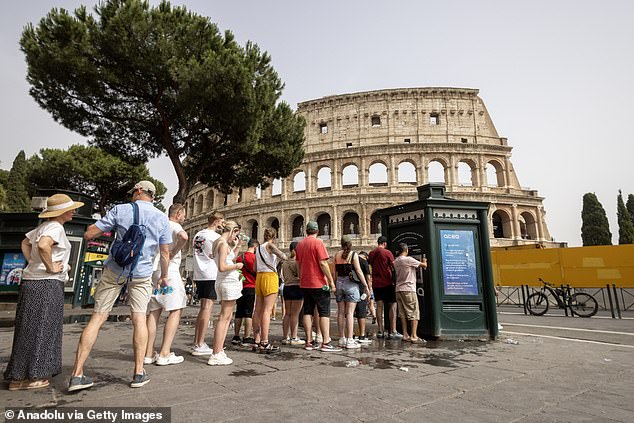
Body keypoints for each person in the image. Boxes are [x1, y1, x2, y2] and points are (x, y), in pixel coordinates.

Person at [69, 181, 171, 391]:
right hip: (142, 274)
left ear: (140, 191)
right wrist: (164, 275)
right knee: (139, 319)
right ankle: (138, 372)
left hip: (115, 269)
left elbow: (90, 234)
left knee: (98, 316)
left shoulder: (120, 209)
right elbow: (165, 252)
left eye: (133, 192)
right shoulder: (161, 218)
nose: (132, 195)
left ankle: (77, 374)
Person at [5, 194, 83, 391]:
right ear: (62, 212)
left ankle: (17, 378)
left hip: (31, 282)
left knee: (28, 330)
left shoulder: (43, 227)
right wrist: (49, 267)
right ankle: (34, 377)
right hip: (47, 284)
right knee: (43, 329)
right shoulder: (55, 227)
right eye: (71, 208)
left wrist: (34, 263)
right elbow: (42, 245)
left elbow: (26, 243)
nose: (74, 211)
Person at [144, 203, 189, 366]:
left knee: (154, 312)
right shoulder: (175, 225)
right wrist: (174, 251)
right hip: (169, 273)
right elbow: (184, 236)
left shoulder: (159, 225)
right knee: (176, 310)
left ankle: (148, 353)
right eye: (183, 215)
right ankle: (164, 353)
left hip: (155, 272)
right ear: (178, 214)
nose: (185, 218)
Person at [296, 221, 341, 352]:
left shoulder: (300, 244)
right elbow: (323, 263)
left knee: (307, 311)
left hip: (305, 283)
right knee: (324, 312)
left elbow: (298, 265)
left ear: (306, 231)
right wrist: (332, 281)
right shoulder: (318, 243)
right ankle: (325, 342)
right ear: (317, 231)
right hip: (319, 283)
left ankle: (309, 341)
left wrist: (301, 277)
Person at [207, 221, 244, 365]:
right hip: (227, 283)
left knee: (227, 317)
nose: (235, 237)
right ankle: (216, 353)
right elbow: (222, 266)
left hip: (225, 282)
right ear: (232, 230)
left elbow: (228, 258)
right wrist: (237, 266)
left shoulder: (219, 243)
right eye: (235, 233)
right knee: (224, 317)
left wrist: (237, 246)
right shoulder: (222, 244)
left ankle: (219, 350)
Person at [191, 212, 224, 356]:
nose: (223, 224)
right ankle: (200, 344)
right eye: (222, 221)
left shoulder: (198, 235)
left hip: (199, 273)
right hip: (210, 273)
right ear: (217, 221)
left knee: (202, 308)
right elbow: (218, 256)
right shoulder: (215, 237)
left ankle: (196, 341)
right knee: (207, 308)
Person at [252, 228, 287, 354]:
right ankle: (264, 342)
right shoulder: (271, 246)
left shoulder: (258, 248)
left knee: (257, 310)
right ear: (274, 236)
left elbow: (255, 267)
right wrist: (277, 260)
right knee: (267, 311)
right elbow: (284, 256)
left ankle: (256, 340)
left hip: (259, 277)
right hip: (270, 276)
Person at [334, 236, 370, 349]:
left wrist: (334, 285)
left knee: (340, 312)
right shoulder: (353, 255)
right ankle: (350, 339)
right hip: (351, 285)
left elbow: (334, 272)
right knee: (349, 313)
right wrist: (365, 286)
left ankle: (341, 338)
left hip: (339, 283)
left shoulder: (336, 255)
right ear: (351, 244)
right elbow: (358, 271)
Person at [368, 236, 402, 339]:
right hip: (387, 282)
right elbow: (393, 266)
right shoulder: (387, 253)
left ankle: (380, 330)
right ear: (385, 243)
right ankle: (393, 331)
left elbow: (370, 263)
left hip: (376, 283)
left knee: (379, 306)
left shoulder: (372, 253)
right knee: (392, 305)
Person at [393, 243, 427, 343]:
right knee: (414, 312)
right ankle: (414, 335)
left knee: (402, 313)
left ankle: (405, 334)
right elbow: (424, 266)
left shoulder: (396, 261)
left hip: (399, 289)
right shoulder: (408, 259)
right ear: (406, 250)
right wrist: (424, 260)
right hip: (409, 289)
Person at [233, 238, 259, 347]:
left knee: (239, 312)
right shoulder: (254, 258)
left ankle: (236, 336)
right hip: (251, 286)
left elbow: (238, 272)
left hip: (241, 286)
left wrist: (243, 280)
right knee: (249, 313)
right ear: (255, 247)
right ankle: (247, 337)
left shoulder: (240, 257)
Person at [281, 242, 304, 345]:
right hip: (296, 287)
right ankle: (294, 337)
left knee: (287, 313)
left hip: (287, 287)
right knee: (295, 314)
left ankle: (285, 337)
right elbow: (300, 275)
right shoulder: (297, 262)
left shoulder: (285, 262)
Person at [355, 251, 373, 344]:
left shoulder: (350, 259)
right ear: (366, 257)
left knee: (350, 312)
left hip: (350, 287)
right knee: (361, 311)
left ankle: (350, 335)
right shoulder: (363, 261)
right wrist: (369, 289)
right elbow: (368, 278)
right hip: (361, 287)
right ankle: (362, 335)